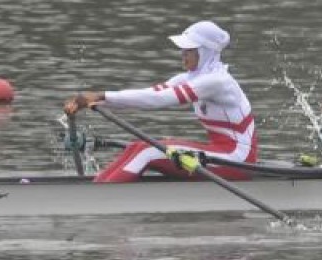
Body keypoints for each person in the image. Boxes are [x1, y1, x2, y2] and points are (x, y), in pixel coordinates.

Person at [63, 20, 257, 183]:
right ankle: (97, 186)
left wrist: (101, 96)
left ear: (205, 51)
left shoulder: (216, 81)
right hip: (221, 152)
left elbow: (157, 100)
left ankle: (98, 198)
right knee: (136, 147)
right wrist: (90, 102)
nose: (183, 55)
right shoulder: (190, 78)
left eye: (188, 50)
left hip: (237, 159)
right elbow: (148, 93)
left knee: (147, 152)